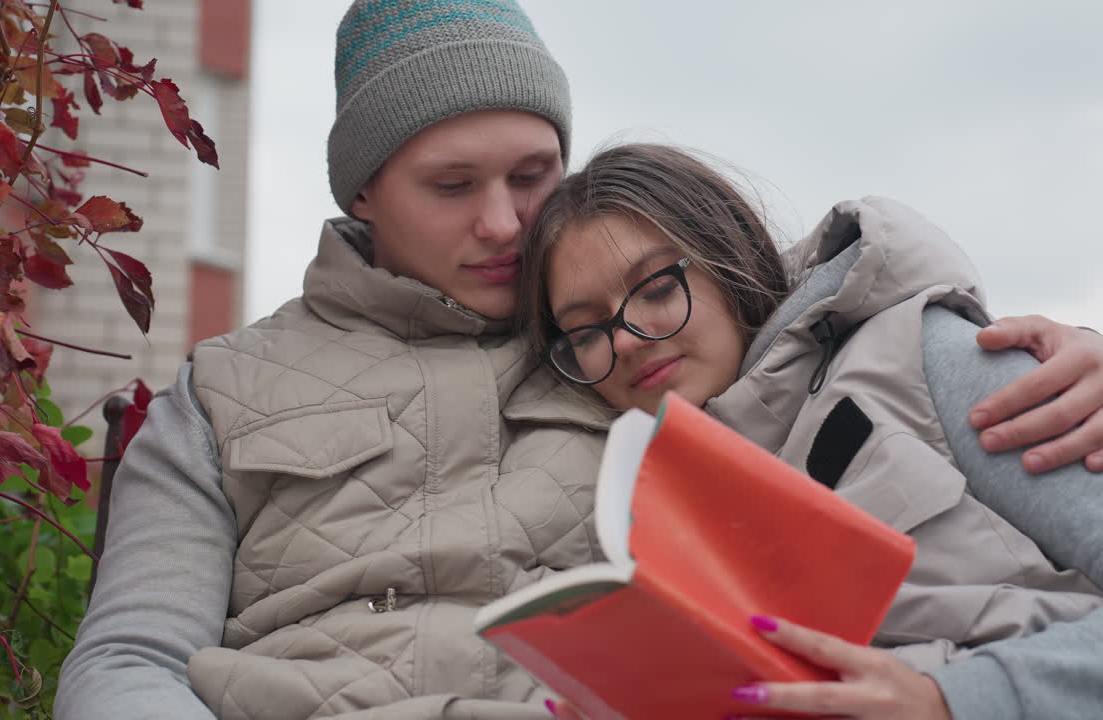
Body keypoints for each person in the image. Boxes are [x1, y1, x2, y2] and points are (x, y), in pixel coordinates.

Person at [54, 2, 1103, 718]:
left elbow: (804, 309)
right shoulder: (224, 391)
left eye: (531, 173)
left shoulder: (654, 346)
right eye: (451, 186)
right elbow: (128, 659)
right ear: (363, 191)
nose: (504, 222)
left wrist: (1072, 350)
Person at [520, 142, 1103, 720]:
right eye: (586, 331)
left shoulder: (926, 358)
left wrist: (953, 701)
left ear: (729, 255)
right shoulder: (642, 526)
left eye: (657, 289)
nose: (624, 340)